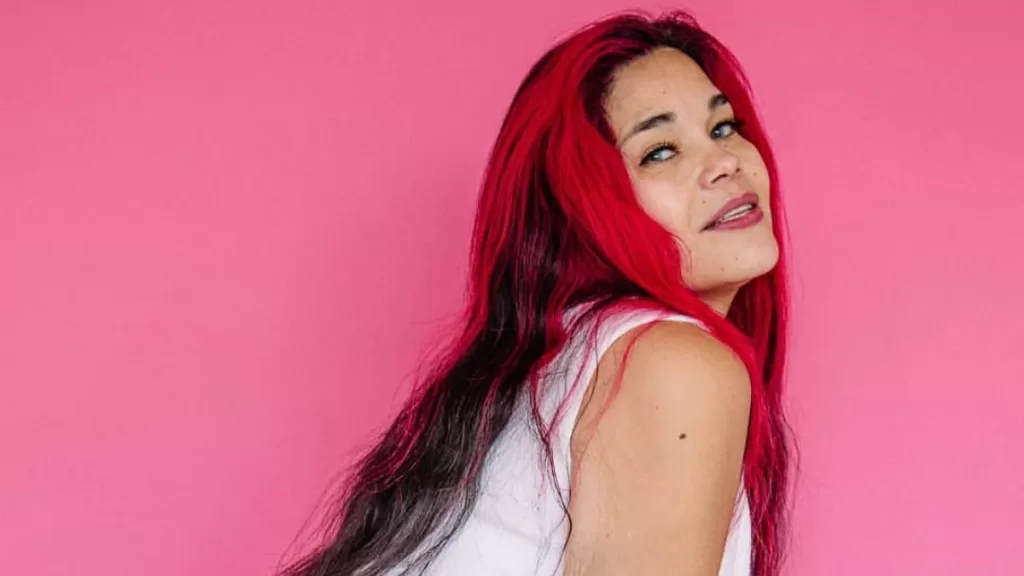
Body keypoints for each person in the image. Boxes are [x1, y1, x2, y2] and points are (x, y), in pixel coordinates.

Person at [282, 9, 792, 576]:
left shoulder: (568, 360)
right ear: (584, 210)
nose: (724, 163)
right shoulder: (673, 364)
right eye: (660, 151)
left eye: (723, 128)